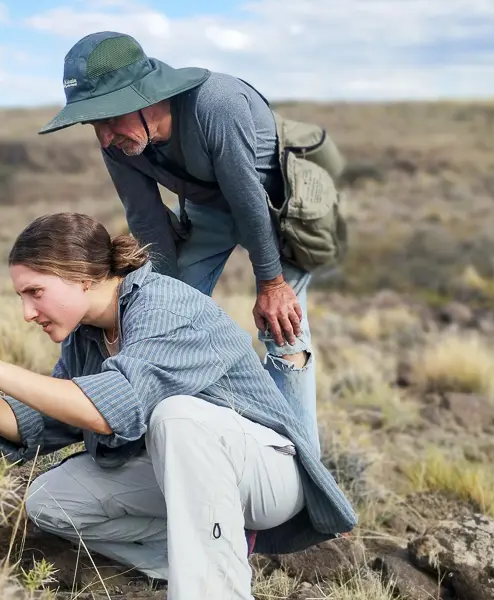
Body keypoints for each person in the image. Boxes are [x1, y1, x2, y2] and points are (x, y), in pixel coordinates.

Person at [0, 212, 356, 600]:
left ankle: (214, 590)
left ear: (80, 276)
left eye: (35, 292)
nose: (27, 312)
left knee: (177, 416)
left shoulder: (164, 306)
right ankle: (199, 558)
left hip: (268, 475)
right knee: (50, 499)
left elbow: (112, 409)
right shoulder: (88, 334)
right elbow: (48, 420)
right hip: (191, 471)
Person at [37, 31, 328, 456]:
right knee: (164, 323)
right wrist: (161, 300)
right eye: (92, 123)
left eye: (108, 119)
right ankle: (187, 447)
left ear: (143, 99)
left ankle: (304, 477)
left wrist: (272, 284)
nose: (102, 137)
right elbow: (146, 218)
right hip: (211, 210)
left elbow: (249, 201)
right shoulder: (119, 142)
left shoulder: (217, 105)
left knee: (284, 330)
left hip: (276, 209)